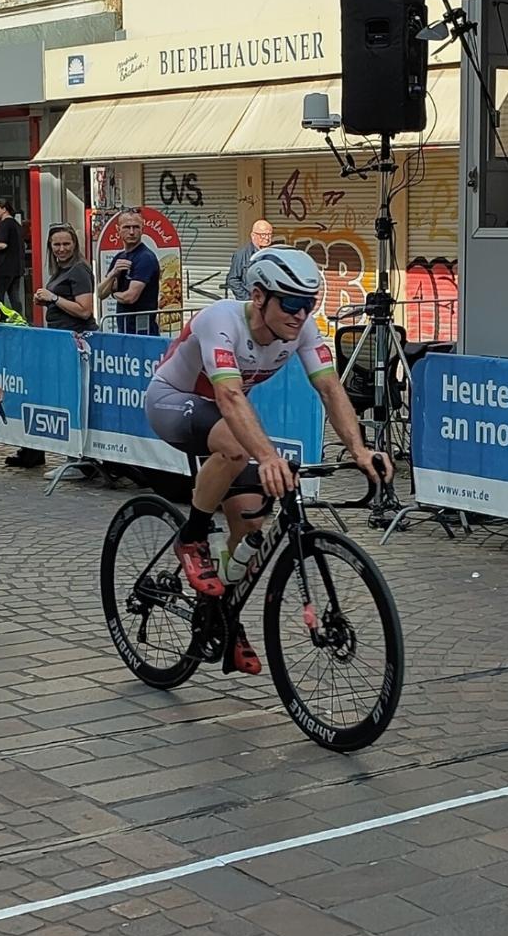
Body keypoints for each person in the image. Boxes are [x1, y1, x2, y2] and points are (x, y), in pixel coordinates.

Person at [146, 248, 394, 675]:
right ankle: (192, 536)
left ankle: (222, 614)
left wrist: (358, 450)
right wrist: (267, 456)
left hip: (224, 417)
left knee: (251, 528)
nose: (301, 315)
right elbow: (227, 395)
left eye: (310, 304)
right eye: (292, 304)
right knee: (240, 450)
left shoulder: (301, 330)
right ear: (259, 296)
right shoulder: (221, 320)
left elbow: (331, 389)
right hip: (173, 402)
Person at [101, 209, 161, 333]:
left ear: (142, 229)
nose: (132, 232)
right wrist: (113, 274)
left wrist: (113, 294)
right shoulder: (120, 257)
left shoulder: (145, 257)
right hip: (125, 327)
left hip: (142, 330)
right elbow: (101, 293)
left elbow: (130, 297)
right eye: (127, 227)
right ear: (118, 230)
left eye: (136, 227)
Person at [37, 225, 94, 331]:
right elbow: (64, 300)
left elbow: (85, 312)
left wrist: (53, 298)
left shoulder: (79, 269)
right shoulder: (61, 269)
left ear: (74, 244)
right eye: (57, 245)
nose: (62, 249)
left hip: (76, 335)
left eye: (66, 244)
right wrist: (45, 300)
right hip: (60, 333)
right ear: (50, 246)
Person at [0, 193, 30, 310]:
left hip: (3, 267)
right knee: (14, 297)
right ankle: (19, 319)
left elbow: (3, 245)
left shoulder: (4, 224)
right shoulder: (15, 224)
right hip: (16, 267)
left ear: (4, 209)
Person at [223, 217, 279, 297]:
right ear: (253, 235)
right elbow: (233, 280)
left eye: (269, 234)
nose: (267, 238)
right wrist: (247, 299)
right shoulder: (241, 254)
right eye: (263, 235)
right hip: (250, 301)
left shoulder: (275, 253)